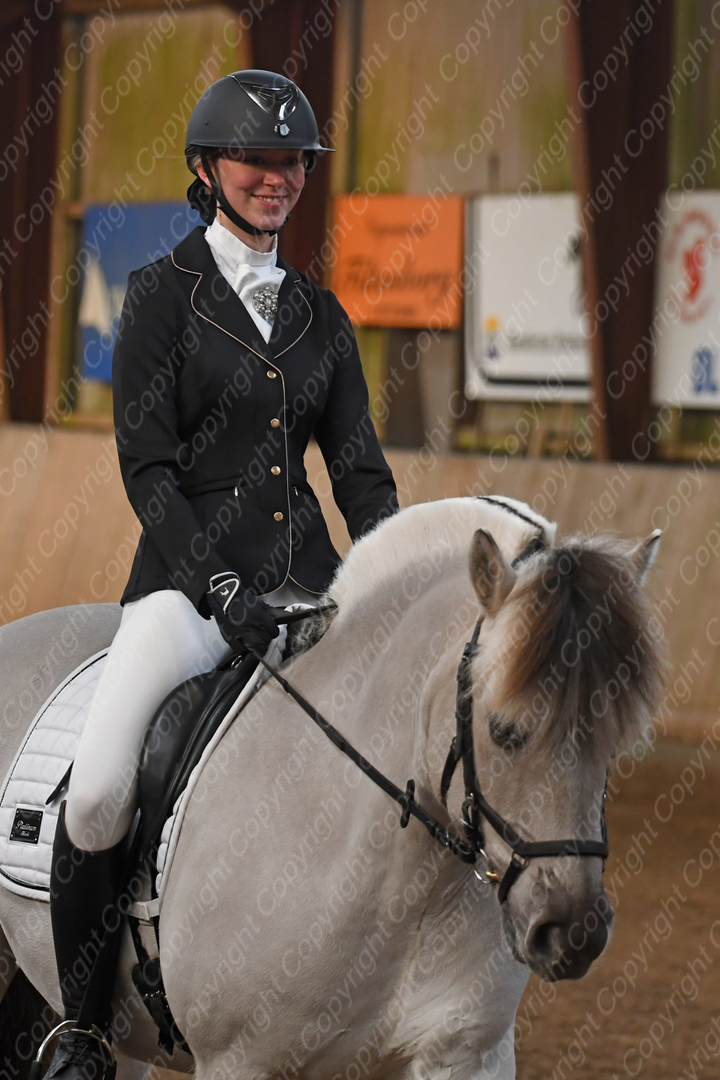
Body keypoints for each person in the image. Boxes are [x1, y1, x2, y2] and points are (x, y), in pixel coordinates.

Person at [45, 69, 397, 1080]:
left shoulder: (322, 315)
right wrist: (220, 586)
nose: (276, 176)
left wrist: (395, 575)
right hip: (184, 595)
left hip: (312, 589)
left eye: (293, 161)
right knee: (98, 792)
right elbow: (148, 468)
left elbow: (361, 474)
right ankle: (83, 1030)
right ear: (207, 169)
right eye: (256, 159)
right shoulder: (162, 297)